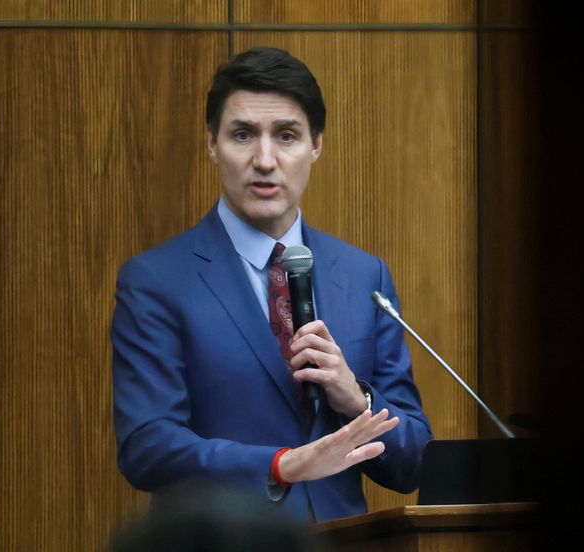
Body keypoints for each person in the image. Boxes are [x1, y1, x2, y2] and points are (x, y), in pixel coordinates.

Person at [111, 47, 432, 523]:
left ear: (316, 145)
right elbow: (148, 446)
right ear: (212, 145)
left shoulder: (365, 275)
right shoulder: (156, 281)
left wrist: (356, 398)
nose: (265, 159)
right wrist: (281, 466)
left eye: (286, 136)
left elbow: (413, 461)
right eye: (243, 135)